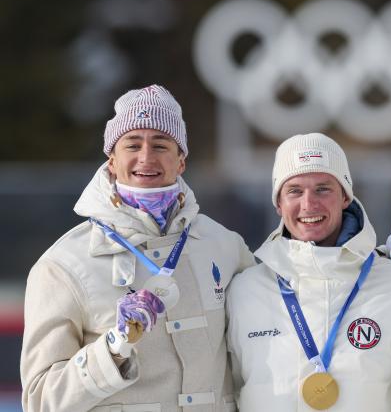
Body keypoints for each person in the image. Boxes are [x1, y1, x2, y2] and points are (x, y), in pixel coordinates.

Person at [20, 85, 255, 411]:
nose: (146, 157)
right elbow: (41, 399)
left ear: (181, 161)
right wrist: (114, 346)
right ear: (112, 161)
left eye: (160, 144)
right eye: (133, 144)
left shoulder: (225, 247)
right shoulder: (63, 266)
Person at [226, 133, 391, 411]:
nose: (309, 204)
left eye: (323, 189)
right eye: (294, 191)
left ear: (345, 196)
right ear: (278, 203)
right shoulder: (244, 292)